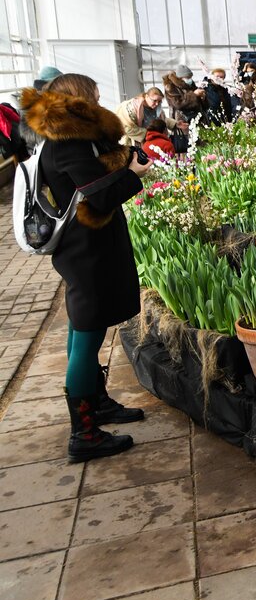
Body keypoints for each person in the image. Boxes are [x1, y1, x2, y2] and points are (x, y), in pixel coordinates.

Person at [20, 73, 153, 462]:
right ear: (77, 98)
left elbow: (88, 184)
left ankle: (96, 404)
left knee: (83, 327)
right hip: (87, 249)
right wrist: (133, 174)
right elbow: (99, 196)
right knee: (88, 332)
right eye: (94, 94)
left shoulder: (58, 139)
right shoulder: (70, 142)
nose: (99, 98)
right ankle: (85, 434)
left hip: (82, 248)